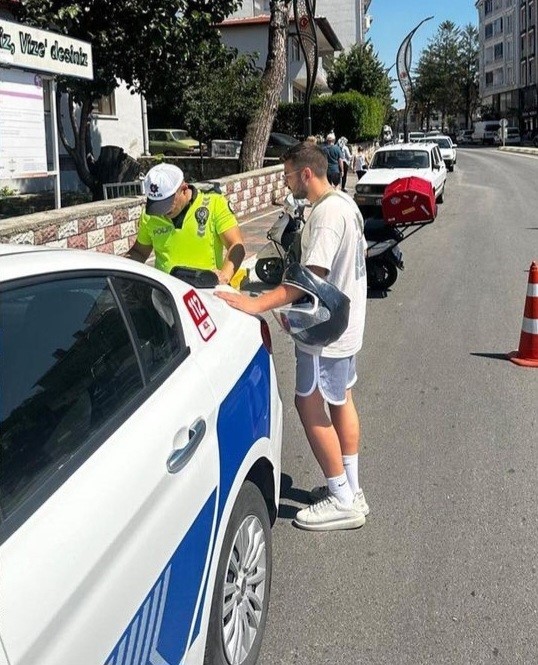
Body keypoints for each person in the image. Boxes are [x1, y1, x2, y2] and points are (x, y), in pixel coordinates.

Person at [216, 143, 368, 532]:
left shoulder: (328, 215)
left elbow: (306, 282)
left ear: (306, 174)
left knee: (308, 404)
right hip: (345, 329)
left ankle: (340, 498)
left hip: (324, 335)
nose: (285, 182)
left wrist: (257, 304)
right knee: (341, 401)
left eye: (286, 175)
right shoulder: (344, 203)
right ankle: (351, 488)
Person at [127, 163, 245, 284]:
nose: (162, 212)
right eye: (157, 205)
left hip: (206, 290)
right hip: (168, 294)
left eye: (167, 204)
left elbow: (236, 245)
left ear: (184, 189)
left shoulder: (214, 204)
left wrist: (224, 276)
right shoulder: (150, 215)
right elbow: (139, 252)